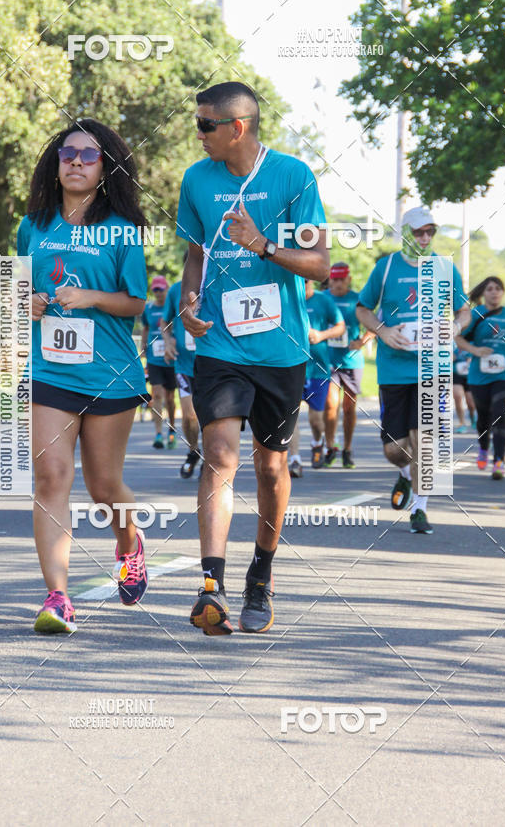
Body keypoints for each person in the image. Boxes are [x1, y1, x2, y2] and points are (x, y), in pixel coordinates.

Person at [176, 81, 329, 634]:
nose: (198, 136)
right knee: (219, 451)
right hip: (219, 343)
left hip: (281, 348)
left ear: (237, 127)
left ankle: (260, 573)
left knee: (270, 465)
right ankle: (211, 584)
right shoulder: (196, 180)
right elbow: (194, 256)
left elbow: (318, 264)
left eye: (205, 126)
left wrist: (263, 245)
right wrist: (190, 300)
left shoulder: (293, 177)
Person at [17, 118, 150, 633]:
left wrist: (91, 297)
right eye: (67, 153)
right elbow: (15, 292)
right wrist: (25, 302)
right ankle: (57, 598)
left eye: (88, 155)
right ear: (55, 162)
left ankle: (128, 544)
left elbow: (134, 301)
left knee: (103, 485)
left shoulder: (122, 228)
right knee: (51, 477)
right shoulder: (34, 225)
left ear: (104, 167)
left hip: (111, 373)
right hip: (51, 369)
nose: (75, 161)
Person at [356, 205, 470, 534]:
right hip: (394, 370)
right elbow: (363, 308)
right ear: (405, 232)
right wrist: (383, 331)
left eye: (430, 232)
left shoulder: (444, 269)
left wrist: (455, 327)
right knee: (395, 449)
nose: (424, 238)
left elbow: (464, 311)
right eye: (419, 232)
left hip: (433, 368)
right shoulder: (386, 266)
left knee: (425, 442)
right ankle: (405, 475)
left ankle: (419, 509)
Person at [456, 276, 505, 479]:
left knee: (499, 415)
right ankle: (484, 447)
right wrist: (474, 350)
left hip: (504, 374)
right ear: (483, 293)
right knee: (483, 418)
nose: (494, 292)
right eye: (489, 289)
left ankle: (499, 461)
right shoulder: (475, 314)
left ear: (502, 292)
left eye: (497, 288)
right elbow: (457, 337)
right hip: (479, 375)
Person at [288, 279, 345, 478]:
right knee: (290, 416)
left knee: (315, 420)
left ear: (311, 281)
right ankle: (295, 459)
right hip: (291, 367)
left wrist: (321, 335)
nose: (303, 285)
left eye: (306, 281)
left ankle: (317, 442)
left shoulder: (323, 301)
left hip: (318, 369)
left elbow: (340, 327)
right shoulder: (287, 298)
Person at [324, 261, 374, 468]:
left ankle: (347, 449)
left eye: (341, 279)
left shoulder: (358, 300)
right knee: (329, 405)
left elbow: (375, 324)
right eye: (333, 279)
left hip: (352, 361)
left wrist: (361, 341)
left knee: (349, 409)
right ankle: (330, 446)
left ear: (349, 279)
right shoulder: (323, 298)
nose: (337, 284)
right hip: (327, 360)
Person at [161, 256, 202, 478]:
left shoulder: (215, 283)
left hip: (213, 363)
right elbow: (164, 322)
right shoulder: (176, 290)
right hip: (184, 364)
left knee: (212, 417)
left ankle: (212, 458)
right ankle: (193, 451)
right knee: (190, 416)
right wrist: (167, 341)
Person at [141, 276, 177, 449]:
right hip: (154, 358)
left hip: (171, 358)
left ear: (167, 289)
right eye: (155, 290)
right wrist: (143, 347)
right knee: (156, 395)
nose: (158, 293)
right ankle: (158, 433)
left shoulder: (174, 307)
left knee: (170, 398)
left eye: (161, 289)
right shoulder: (148, 309)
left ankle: (171, 429)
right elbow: (146, 328)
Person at [452, 342, 476, 432]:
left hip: (470, 374)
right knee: (457, 396)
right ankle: (462, 423)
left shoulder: (471, 340)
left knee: (471, 403)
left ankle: (472, 416)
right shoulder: (450, 343)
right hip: (456, 373)